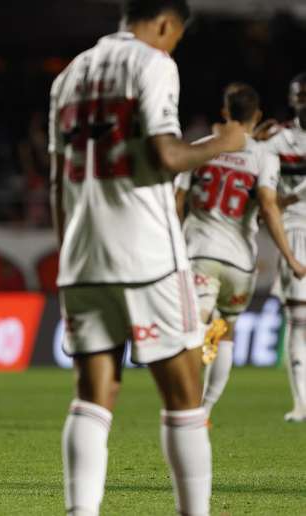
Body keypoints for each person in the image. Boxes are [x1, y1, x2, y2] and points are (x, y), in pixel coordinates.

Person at [48, 1, 247, 514]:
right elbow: (167, 155)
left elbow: (55, 185)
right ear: (164, 23)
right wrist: (222, 141)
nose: (172, 45)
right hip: (147, 254)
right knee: (184, 396)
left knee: (93, 396)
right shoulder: (154, 63)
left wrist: (68, 254)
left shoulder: (67, 76)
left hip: (81, 255)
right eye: (175, 36)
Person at [174, 83, 306, 422]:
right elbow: (268, 208)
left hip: (201, 253)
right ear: (257, 116)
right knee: (228, 330)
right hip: (241, 264)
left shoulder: (199, 149)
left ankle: (190, 395)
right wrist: (290, 257)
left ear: (224, 112)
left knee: (193, 329)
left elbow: (176, 205)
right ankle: (206, 409)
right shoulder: (264, 156)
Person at [255, 72, 306, 422]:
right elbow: (260, 186)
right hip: (296, 232)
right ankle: (302, 404)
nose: (304, 100)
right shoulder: (280, 141)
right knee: (300, 321)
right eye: (299, 95)